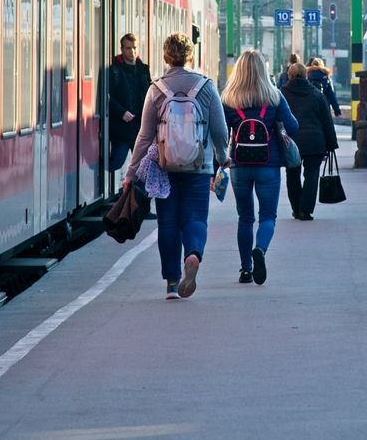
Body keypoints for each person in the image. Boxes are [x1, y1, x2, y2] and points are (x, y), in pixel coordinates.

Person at [124, 33, 229, 300]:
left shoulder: (156, 89)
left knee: (168, 222)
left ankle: (171, 283)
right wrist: (222, 156)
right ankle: (193, 254)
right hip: (199, 166)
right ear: (190, 56)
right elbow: (219, 130)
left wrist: (131, 173)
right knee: (195, 218)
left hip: (164, 167)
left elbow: (144, 136)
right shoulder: (206, 87)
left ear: (165, 57)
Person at [223, 50, 299, 286]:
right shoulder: (275, 97)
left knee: (244, 217)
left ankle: (246, 269)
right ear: (263, 71)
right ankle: (261, 250)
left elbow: (220, 133)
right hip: (269, 164)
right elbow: (293, 127)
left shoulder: (228, 99)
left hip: (239, 165)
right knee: (268, 216)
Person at [280, 62, 339, 220]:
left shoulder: (281, 94)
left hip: (291, 142)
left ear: (289, 76)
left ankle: (296, 208)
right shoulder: (316, 95)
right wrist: (331, 144)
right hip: (315, 142)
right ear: (306, 76)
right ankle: (305, 210)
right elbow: (327, 121)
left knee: (292, 175)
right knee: (311, 175)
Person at [109, 34, 151, 173]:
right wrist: (121, 112)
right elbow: (107, 97)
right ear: (122, 49)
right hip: (121, 128)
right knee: (115, 163)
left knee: (143, 167)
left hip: (140, 128)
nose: (132, 51)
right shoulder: (114, 70)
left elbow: (150, 95)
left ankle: (137, 193)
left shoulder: (144, 70)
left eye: (134, 48)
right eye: (128, 48)